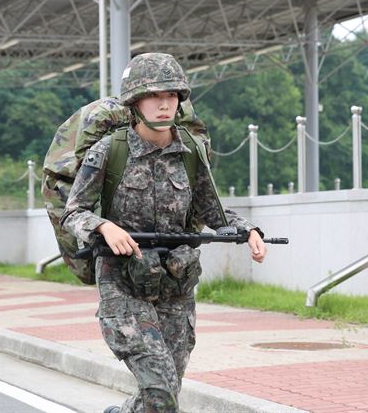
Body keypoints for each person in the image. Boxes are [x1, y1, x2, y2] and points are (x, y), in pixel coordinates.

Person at [61, 53, 267, 413]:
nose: (164, 103)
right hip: (123, 283)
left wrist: (248, 230)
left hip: (176, 285)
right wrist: (104, 225)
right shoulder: (109, 150)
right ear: (135, 102)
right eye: (154, 96)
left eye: (171, 95)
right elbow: (74, 212)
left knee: (164, 395)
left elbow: (212, 211)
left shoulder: (191, 151)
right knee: (160, 391)